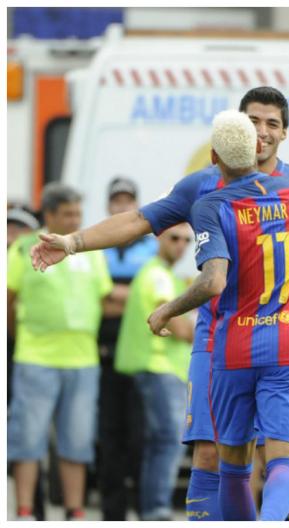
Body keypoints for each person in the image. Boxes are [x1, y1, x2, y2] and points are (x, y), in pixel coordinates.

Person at [29, 86, 289, 521]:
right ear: (237, 128)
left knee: (257, 461)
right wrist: (74, 241)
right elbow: (139, 220)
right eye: (253, 121)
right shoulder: (202, 187)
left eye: (272, 123)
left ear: (284, 133)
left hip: (267, 336)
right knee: (211, 457)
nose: (261, 132)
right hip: (217, 338)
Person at [148, 110, 289, 520]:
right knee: (284, 463)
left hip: (233, 344)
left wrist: (166, 310)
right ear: (257, 149)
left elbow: (213, 282)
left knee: (233, 469)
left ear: (214, 158)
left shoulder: (210, 204)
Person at [7, 184, 113, 521]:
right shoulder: (25, 248)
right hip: (36, 358)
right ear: (49, 215)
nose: (75, 219)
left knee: (78, 440)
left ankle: (75, 511)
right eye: (67, 213)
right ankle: (24, 511)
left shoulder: (91, 250)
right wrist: (18, 337)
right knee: (28, 439)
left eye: (78, 213)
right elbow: (8, 300)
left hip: (82, 361)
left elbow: (102, 298)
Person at [114, 222, 195, 520]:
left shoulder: (163, 274)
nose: (181, 245)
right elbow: (179, 326)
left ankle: (152, 510)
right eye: (174, 238)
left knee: (158, 443)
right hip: (159, 367)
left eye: (187, 240)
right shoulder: (159, 276)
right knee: (168, 442)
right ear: (159, 238)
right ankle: (156, 511)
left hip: (159, 368)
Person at [97, 177, 157, 521]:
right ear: (108, 206)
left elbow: (148, 300)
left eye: (127, 201)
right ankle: (112, 514)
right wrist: (132, 295)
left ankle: (144, 511)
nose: (121, 206)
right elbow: (95, 297)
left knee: (140, 439)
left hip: (140, 355)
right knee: (109, 438)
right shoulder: (98, 245)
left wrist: (113, 294)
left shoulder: (151, 246)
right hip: (105, 353)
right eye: (116, 200)